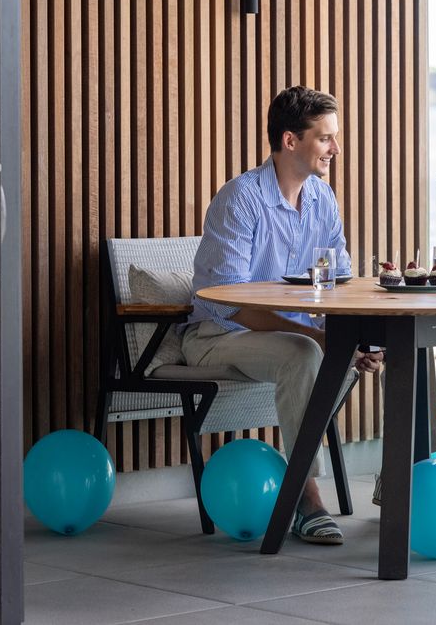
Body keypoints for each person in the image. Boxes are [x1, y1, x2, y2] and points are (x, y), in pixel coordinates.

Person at [182, 86, 383, 545]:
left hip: (290, 336)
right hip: (218, 334)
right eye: (325, 138)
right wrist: (320, 339)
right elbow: (230, 302)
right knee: (302, 352)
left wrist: (357, 339)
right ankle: (306, 497)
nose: (336, 148)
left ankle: (403, 480)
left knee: (401, 345)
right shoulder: (241, 199)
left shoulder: (322, 200)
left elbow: (338, 286)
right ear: (291, 141)